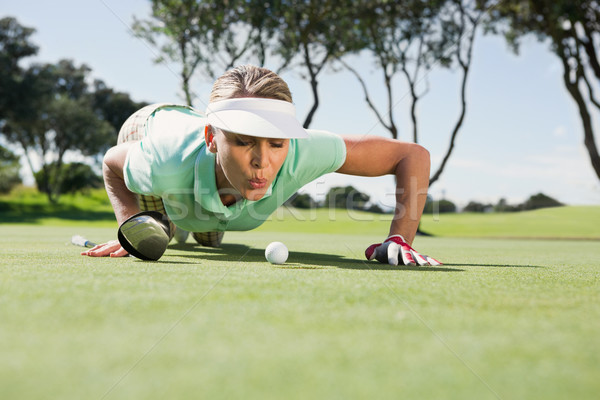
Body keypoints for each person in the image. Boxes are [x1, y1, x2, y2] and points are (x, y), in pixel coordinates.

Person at [81, 65, 441, 266]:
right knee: (157, 234)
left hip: (200, 156)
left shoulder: (303, 151)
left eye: (275, 143)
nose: (263, 161)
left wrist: (400, 239)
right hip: (150, 125)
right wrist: (129, 224)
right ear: (213, 138)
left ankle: (180, 215)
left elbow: (412, 155)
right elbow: (112, 165)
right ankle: (166, 217)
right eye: (244, 141)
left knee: (208, 238)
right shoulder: (163, 159)